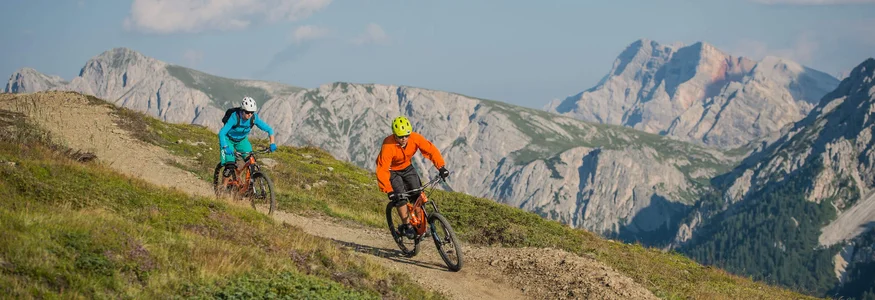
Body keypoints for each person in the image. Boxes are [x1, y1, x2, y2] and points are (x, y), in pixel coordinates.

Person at [375, 116, 450, 239]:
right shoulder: (388, 145)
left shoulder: (415, 138)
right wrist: (389, 190)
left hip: (407, 167)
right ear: (394, 135)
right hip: (392, 171)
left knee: (417, 196)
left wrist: (441, 167)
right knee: (401, 198)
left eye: (406, 135)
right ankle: (406, 226)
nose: (404, 139)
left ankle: (421, 227)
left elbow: (430, 150)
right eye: (400, 136)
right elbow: (382, 169)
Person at [219, 96, 277, 177]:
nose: (249, 114)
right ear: (242, 110)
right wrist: (225, 147)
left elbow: (269, 130)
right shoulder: (234, 117)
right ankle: (223, 188)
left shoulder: (254, 118)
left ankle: (249, 185)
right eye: (247, 112)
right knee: (229, 166)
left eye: (252, 112)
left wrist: (272, 143)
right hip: (228, 140)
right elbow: (222, 133)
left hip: (242, 141)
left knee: (251, 162)